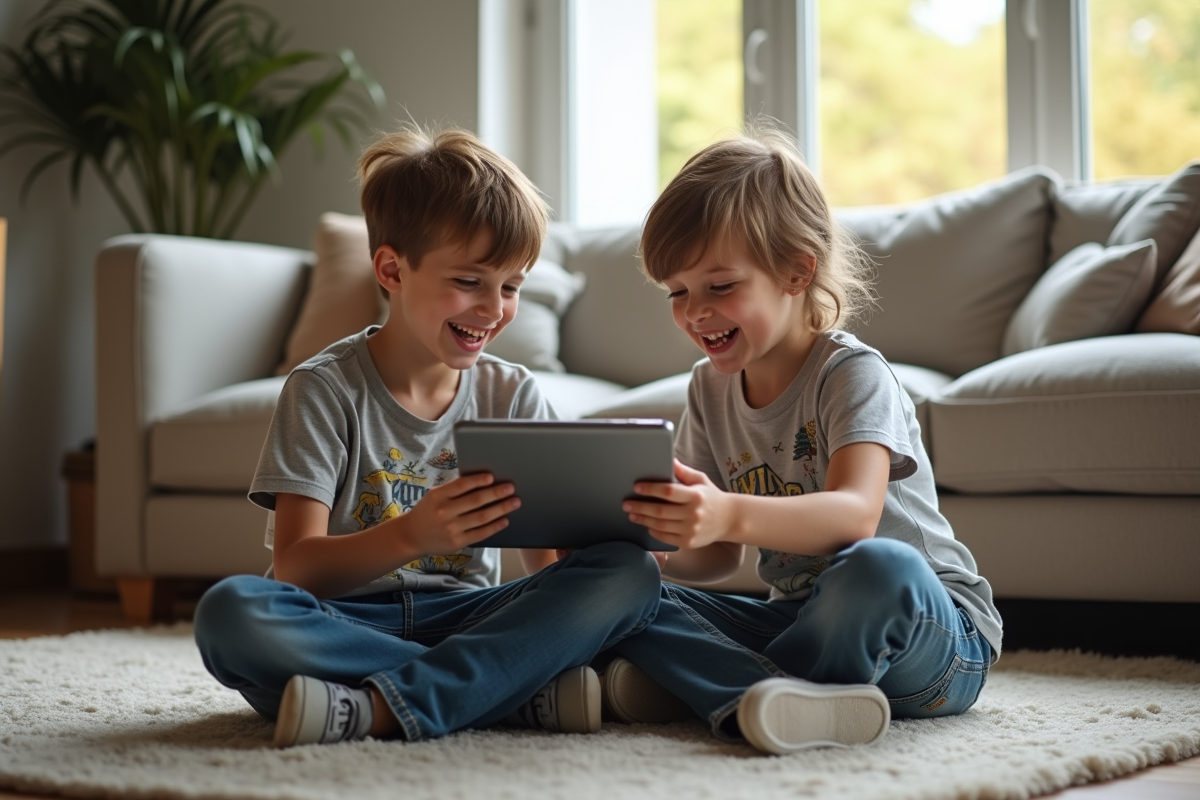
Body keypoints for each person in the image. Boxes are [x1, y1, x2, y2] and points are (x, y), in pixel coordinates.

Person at [192, 125, 661, 748]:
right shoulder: (323, 390)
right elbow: (295, 572)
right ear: (391, 268)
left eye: (512, 286)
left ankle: (379, 703)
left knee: (629, 573)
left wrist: (598, 540)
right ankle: (506, 694)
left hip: (468, 620)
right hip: (345, 619)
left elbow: (543, 574)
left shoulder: (511, 395)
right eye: (469, 281)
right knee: (232, 614)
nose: (494, 308)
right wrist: (414, 534)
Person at [598, 128, 1002, 755]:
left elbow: (855, 518)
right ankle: (781, 695)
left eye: (720, 286)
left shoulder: (851, 373)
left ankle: (715, 685)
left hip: (930, 633)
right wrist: (661, 545)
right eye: (678, 293)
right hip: (803, 622)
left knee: (880, 567)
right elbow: (719, 559)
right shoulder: (708, 390)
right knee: (623, 589)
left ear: (796, 271)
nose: (695, 312)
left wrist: (728, 509)